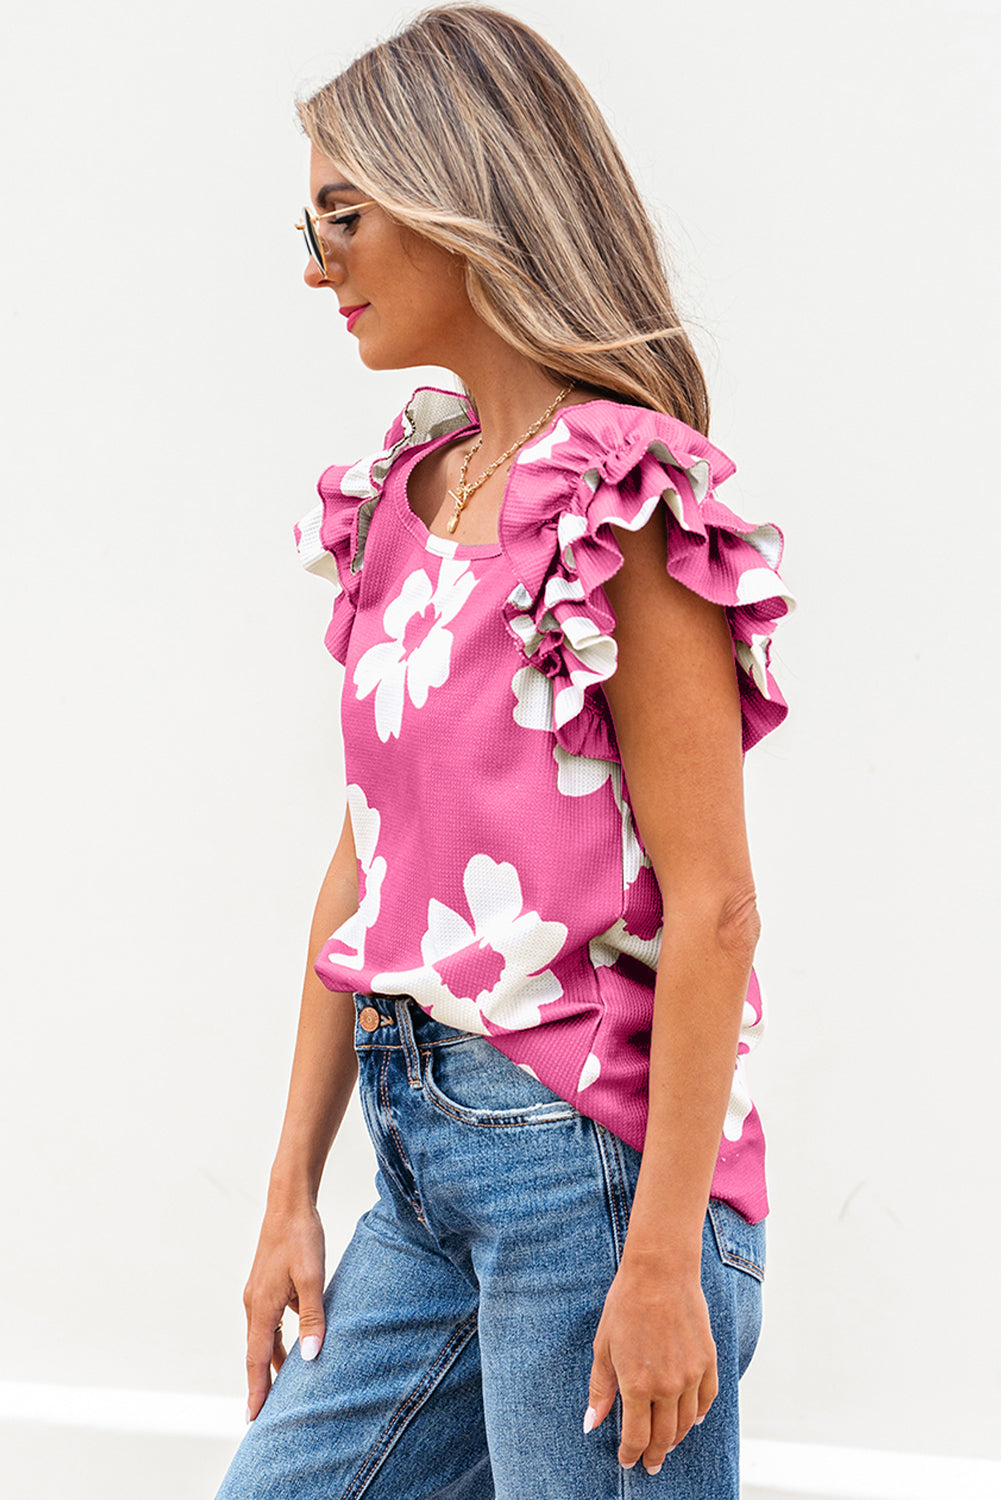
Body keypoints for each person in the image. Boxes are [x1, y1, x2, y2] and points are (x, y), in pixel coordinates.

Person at [215, 6, 792, 1497]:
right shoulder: (402, 495)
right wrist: (290, 1190)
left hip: (591, 1174)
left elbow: (714, 905)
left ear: (458, 198)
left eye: (343, 216)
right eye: (309, 224)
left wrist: (663, 1259)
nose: (315, 265)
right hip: (421, 1163)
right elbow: (365, 859)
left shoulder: (624, 505)